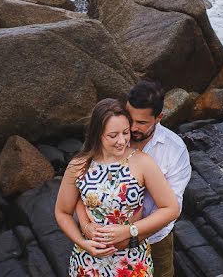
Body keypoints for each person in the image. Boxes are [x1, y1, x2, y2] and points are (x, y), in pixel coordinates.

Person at [76, 81, 191, 277]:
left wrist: (130, 235)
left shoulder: (174, 150)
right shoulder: (112, 136)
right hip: (102, 239)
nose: (132, 127)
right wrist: (87, 226)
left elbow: (173, 207)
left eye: (142, 123)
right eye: (130, 118)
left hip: (155, 238)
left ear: (159, 118)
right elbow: (82, 186)